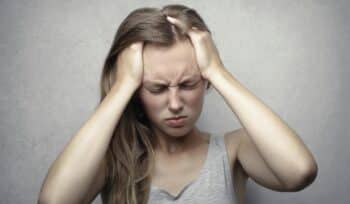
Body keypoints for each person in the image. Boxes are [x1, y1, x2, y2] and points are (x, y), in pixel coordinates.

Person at [38, 4, 318, 204]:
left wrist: (218, 71)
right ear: (137, 90)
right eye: (157, 88)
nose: (175, 104)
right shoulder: (112, 161)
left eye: (188, 84)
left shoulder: (234, 152)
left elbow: (299, 171)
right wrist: (122, 86)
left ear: (205, 81)